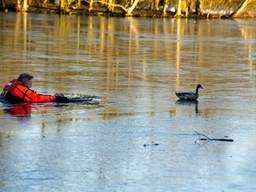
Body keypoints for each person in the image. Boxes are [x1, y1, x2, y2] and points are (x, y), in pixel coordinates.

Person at [1, 73, 69, 103]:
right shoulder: (20, 89)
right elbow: (35, 99)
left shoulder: (15, 85)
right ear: (27, 82)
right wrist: (55, 98)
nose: (32, 84)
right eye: (31, 82)